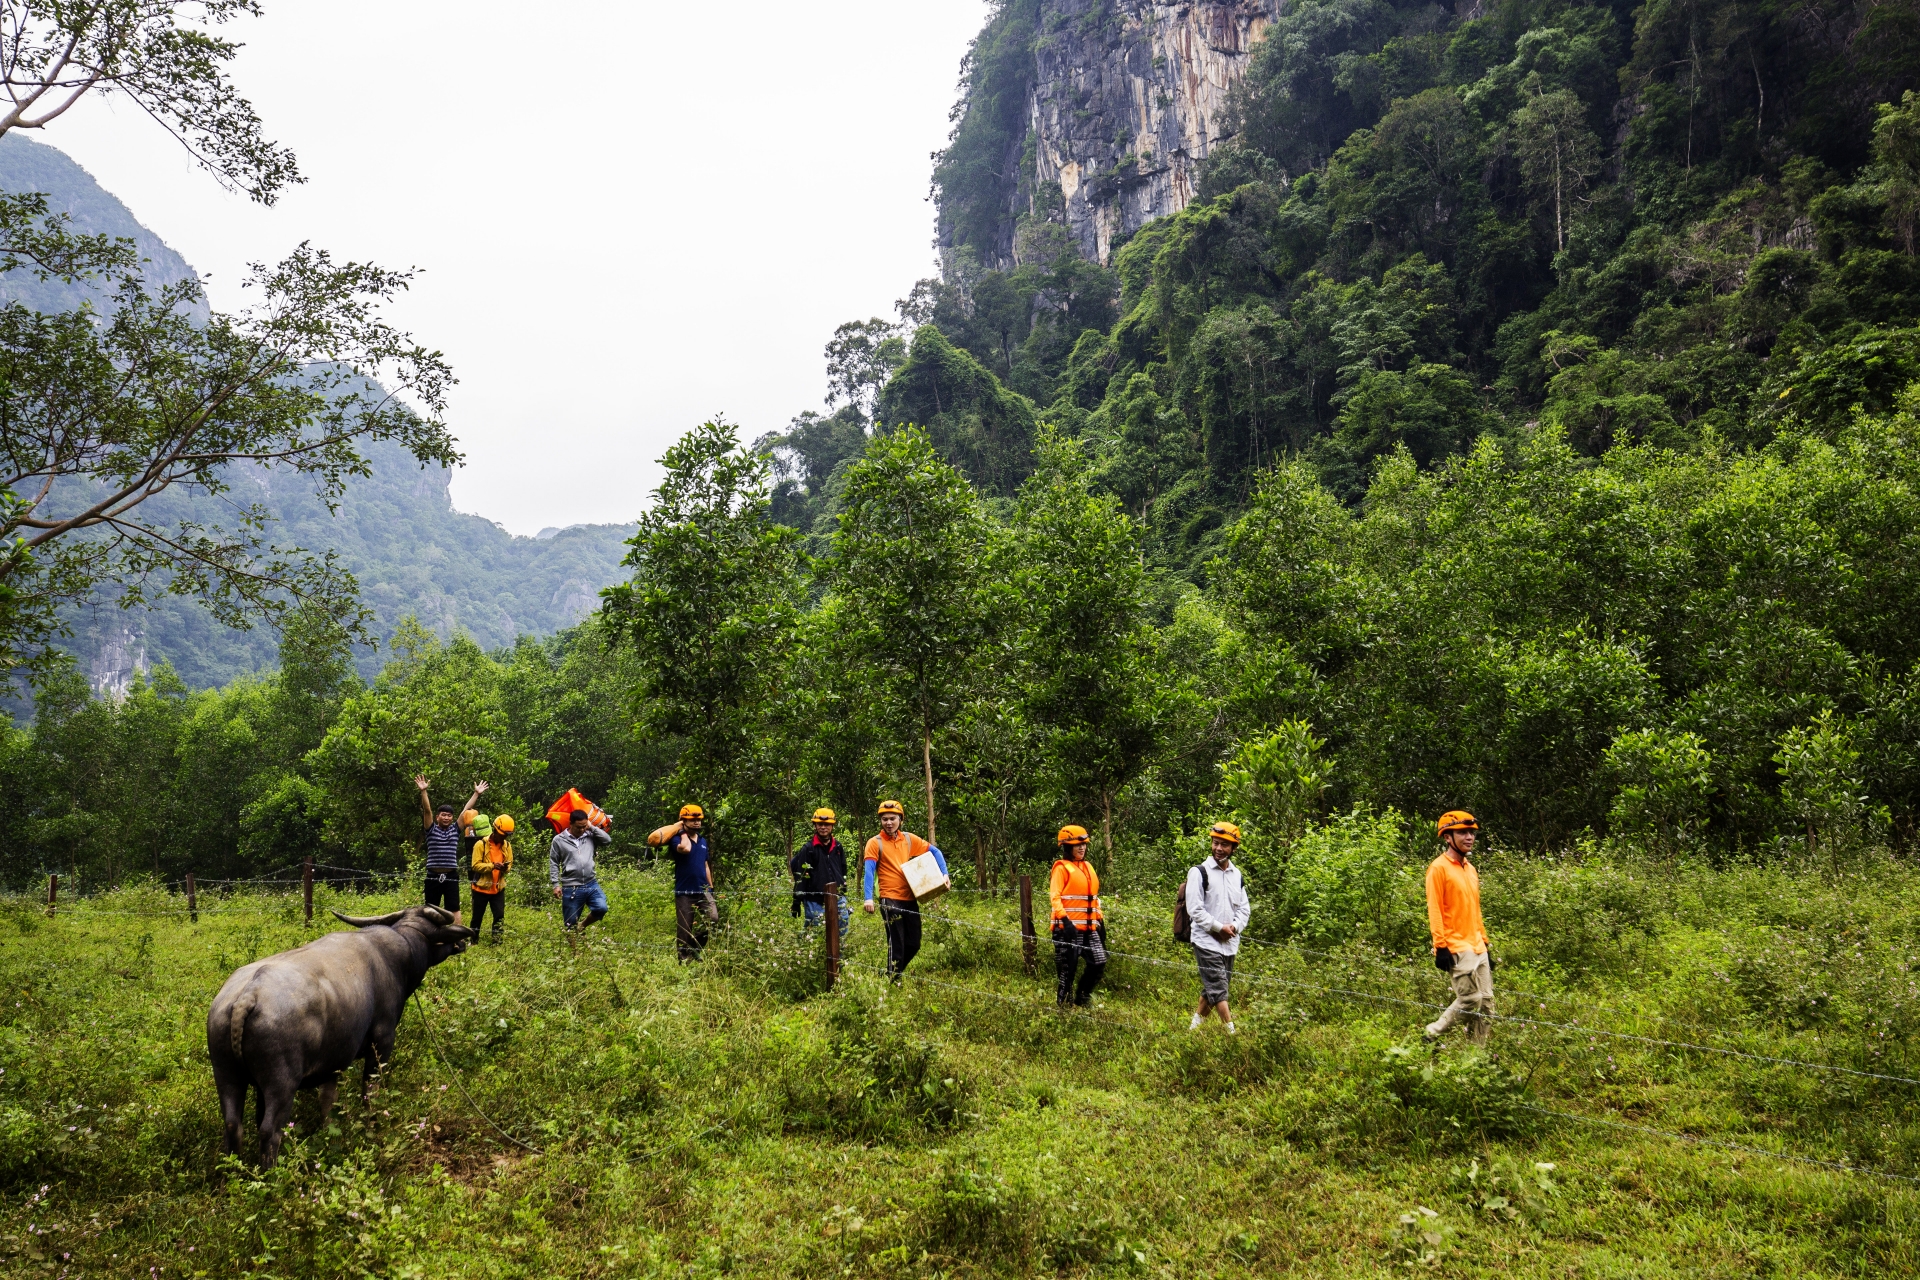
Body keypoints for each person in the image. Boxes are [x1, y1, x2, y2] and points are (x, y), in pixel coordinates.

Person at [1424, 810, 1494, 1045]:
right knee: (1469, 1000)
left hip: (1477, 944)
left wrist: (1485, 943)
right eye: (1462, 832)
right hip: (1455, 945)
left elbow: (1475, 909)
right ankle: (1432, 1034)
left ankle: (1477, 1057)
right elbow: (1434, 908)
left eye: (1471, 833)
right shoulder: (1438, 868)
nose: (1469, 837)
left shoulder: (1471, 869)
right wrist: (1440, 946)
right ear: (1447, 837)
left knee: (1486, 1003)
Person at [862, 800, 947, 980]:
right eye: (885, 819)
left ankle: (891, 973)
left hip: (910, 897)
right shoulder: (874, 843)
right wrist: (868, 898)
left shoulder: (908, 839)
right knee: (897, 943)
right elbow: (868, 871)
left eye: (893, 818)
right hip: (889, 898)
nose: (889, 823)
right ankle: (893, 981)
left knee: (914, 943)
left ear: (900, 819)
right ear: (880, 821)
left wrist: (944, 874)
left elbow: (935, 852)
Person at [1187, 821, 1251, 1033]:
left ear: (1233, 848)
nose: (1218, 849)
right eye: (1215, 843)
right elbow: (1194, 909)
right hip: (1206, 941)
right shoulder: (1199, 872)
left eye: (1224, 845)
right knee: (1219, 989)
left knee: (1213, 989)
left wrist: (1233, 927)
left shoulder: (1237, 875)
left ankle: (1193, 1030)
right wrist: (1218, 928)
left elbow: (1244, 910)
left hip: (1230, 943)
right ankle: (1233, 1033)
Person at [1049, 825, 1107, 1008]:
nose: (1082, 848)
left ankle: (1082, 997)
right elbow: (1055, 896)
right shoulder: (1061, 868)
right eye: (1077, 845)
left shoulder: (1088, 867)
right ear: (1067, 847)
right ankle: (1063, 1007)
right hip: (1067, 930)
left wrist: (1100, 920)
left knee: (1099, 961)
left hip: (1090, 928)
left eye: (1084, 845)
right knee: (1067, 971)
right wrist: (1065, 922)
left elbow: (1093, 898)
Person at [648, 804, 716, 961]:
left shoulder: (703, 841)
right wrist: (681, 831)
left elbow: (706, 865)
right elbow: (685, 849)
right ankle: (683, 959)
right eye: (692, 820)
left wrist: (710, 887)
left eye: (699, 820)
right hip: (684, 891)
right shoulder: (677, 839)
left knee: (713, 919)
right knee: (685, 928)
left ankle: (694, 949)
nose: (697, 823)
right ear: (683, 821)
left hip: (703, 890)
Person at [415, 775, 485, 914]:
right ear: (438, 817)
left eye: (449, 815)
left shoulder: (455, 829)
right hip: (432, 876)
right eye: (443, 815)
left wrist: (476, 793)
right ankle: (430, 936)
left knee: (454, 909)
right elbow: (427, 810)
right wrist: (423, 791)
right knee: (430, 910)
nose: (446, 818)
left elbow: (465, 811)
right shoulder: (431, 829)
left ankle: (458, 936)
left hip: (451, 875)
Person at [549, 806, 613, 932]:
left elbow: (607, 840)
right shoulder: (559, 840)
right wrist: (555, 884)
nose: (582, 829)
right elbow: (554, 863)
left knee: (601, 908)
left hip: (591, 883)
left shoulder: (589, 835)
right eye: (579, 827)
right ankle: (575, 951)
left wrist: (592, 827)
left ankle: (582, 926)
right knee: (570, 924)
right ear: (570, 824)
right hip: (571, 887)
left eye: (584, 826)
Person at [791, 807, 851, 932]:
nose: (823, 827)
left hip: (837, 897)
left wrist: (843, 887)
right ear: (815, 825)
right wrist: (797, 900)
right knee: (816, 931)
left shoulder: (838, 847)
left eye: (827, 824)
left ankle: (838, 953)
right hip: (815, 900)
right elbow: (801, 876)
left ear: (832, 826)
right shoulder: (808, 849)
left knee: (842, 929)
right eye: (820, 824)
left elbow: (843, 869)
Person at [469, 813, 514, 942]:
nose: (504, 837)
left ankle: (497, 941)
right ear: (495, 830)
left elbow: (509, 863)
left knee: (499, 916)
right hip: (480, 888)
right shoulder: (480, 845)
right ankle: (473, 940)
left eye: (507, 835)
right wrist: (493, 866)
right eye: (503, 834)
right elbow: (475, 866)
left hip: (498, 888)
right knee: (477, 917)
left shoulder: (507, 846)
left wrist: (505, 868)